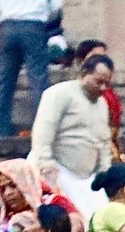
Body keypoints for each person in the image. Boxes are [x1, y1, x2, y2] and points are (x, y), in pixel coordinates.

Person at [28, 54, 115, 211]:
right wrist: (46, 162)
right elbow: (43, 129)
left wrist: (104, 171)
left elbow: (104, 141)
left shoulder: (102, 104)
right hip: (56, 170)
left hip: (87, 179)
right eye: (98, 82)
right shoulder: (59, 93)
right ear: (83, 74)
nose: (103, 88)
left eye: (107, 84)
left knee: (99, 220)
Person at [0, 0, 61, 138]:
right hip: (34, 26)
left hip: (8, 27)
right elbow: (57, 5)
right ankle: (43, 132)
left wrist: (0, 17)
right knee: (38, 80)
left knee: (3, 81)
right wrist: (44, 17)